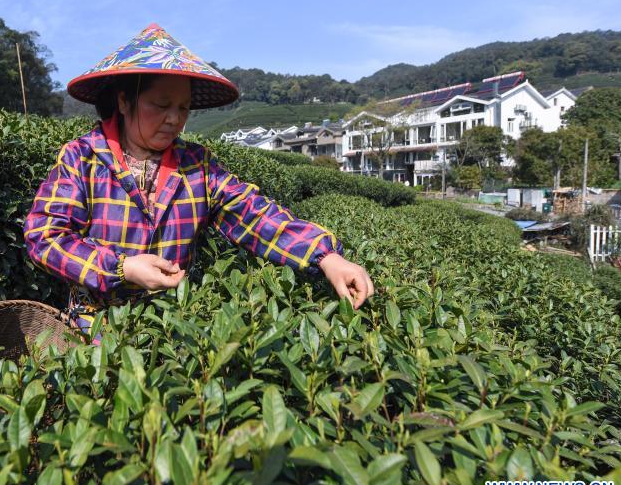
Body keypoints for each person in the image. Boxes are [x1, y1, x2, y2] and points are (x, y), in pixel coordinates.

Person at [23, 23, 374, 343]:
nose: (174, 118)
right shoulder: (82, 158)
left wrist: (325, 256)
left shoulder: (198, 166)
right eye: (161, 104)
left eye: (184, 108)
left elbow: (253, 214)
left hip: (173, 330)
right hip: (93, 333)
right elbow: (45, 236)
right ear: (124, 101)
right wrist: (121, 267)